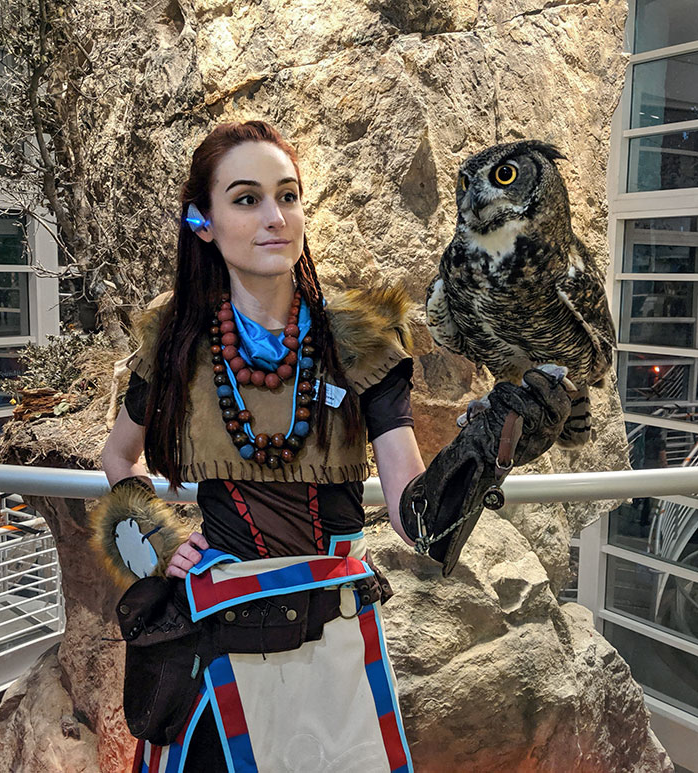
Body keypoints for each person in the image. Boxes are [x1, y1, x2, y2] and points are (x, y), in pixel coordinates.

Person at [98, 120, 572, 773]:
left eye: (287, 196)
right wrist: (154, 543)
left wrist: (493, 446)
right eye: (246, 199)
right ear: (202, 222)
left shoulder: (363, 342)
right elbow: (117, 457)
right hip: (219, 645)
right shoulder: (177, 343)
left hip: (337, 641)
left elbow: (418, 520)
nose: (275, 217)